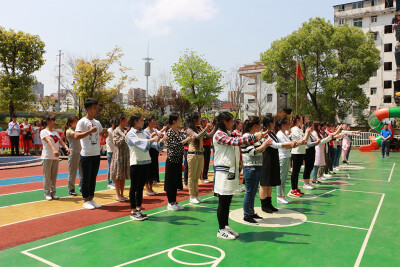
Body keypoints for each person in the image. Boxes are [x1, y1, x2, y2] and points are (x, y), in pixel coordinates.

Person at [213, 112, 264, 240]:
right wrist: (254, 137)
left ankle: (225, 226)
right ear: (225, 122)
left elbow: (239, 139)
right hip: (223, 172)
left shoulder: (229, 133)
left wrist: (257, 137)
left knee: (228, 200)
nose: (233, 124)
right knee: (223, 202)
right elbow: (235, 141)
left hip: (230, 171)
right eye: (231, 121)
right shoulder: (219, 135)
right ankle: (220, 229)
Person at [126, 113, 167, 221]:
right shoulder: (130, 134)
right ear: (135, 122)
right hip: (135, 162)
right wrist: (152, 140)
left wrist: (161, 140)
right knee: (134, 187)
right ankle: (133, 210)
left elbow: (155, 145)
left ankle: (139, 208)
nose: (143, 122)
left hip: (145, 161)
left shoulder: (144, 132)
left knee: (140, 187)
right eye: (141, 120)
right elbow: (139, 143)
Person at [75, 98, 109, 210]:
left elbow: (104, 136)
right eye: (94, 108)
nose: (96, 110)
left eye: (97, 108)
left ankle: (91, 198)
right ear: (88, 109)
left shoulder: (97, 122)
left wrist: (105, 132)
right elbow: (76, 136)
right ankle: (85, 199)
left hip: (96, 153)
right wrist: (89, 131)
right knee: (86, 178)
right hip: (86, 154)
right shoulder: (82, 122)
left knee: (93, 177)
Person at [260, 115, 295, 213]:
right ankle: (264, 205)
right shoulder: (264, 133)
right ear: (269, 123)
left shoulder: (272, 134)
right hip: (266, 159)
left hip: (273, 158)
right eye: (273, 122)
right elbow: (275, 145)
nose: (275, 124)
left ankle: (269, 203)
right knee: (265, 183)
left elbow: (280, 142)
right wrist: (289, 144)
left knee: (270, 182)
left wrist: (293, 143)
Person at [241, 116, 273, 224]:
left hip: (257, 166)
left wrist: (265, 144)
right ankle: (246, 215)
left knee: (253, 192)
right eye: (259, 124)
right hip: (250, 167)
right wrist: (264, 144)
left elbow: (260, 150)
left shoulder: (253, 137)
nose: (261, 127)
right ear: (255, 126)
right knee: (249, 192)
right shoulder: (246, 136)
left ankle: (251, 212)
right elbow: (253, 152)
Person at [164, 113, 194, 211]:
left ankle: (174, 201)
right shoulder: (170, 132)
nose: (180, 122)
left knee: (176, 181)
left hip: (178, 159)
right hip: (171, 160)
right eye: (179, 120)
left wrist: (189, 140)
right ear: (174, 121)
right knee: (170, 182)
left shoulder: (179, 132)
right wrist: (186, 140)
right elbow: (174, 145)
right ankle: (170, 202)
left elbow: (183, 142)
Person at [186, 112, 215, 204]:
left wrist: (214, 128)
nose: (201, 119)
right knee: (192, 176)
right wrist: (207, 128)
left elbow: (209, 136)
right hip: (192, 154)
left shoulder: (199, 128)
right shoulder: (189, 129)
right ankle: (192, 196)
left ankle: (196, 195)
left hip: (200, 154)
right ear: (195, 119)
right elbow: (198, 136)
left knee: (197, 176)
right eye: (199, 118)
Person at [41, 116, 70, 200]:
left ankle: (53, 193)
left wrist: (66, 148)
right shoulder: (43, 132)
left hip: (55, 158)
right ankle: (47, 193)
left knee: (54, 177)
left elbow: (61, 141)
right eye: (53, 121)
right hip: (47, 157)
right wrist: (54, 150)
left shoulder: (55, 133)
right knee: (47, 176)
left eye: (54, 120)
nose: (54, 122)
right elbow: (48, 141)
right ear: (48, 122)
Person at [275, 117, 297, 204]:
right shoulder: (279, 134)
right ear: (283, 125)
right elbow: (285, 145)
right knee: (281, 177)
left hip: (287, 155)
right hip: (282, 156)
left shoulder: (285, 134)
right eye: (287, 124)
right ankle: (279, 195)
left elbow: (289, 145)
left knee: (284, 177)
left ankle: (283, 195)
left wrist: (294, 144)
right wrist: (293, 144)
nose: (289, 125)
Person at [289, 115, 311, 197]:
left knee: (297, 171)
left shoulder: (299, 129)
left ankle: (296, 188)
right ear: (297, 120)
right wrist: (307, 133)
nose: (303, 121)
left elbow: (305, 140)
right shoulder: (294, 129)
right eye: (301, 119)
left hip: (301, 151)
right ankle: (293, 189)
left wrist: (307, 133)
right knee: (295, 172)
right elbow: (302, 140)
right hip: (296, 152)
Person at [110, 114, 130, 202]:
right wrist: (124, 136)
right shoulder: (116, 131)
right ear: (121, 121)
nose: (127, 122)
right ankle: (118, 195)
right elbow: (116, 143)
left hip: (125, 154)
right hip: (119, 155)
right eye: (126, 120)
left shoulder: (124, 130)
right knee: (118, 176)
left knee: (123, 175)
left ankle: (122, 194)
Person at [144, 116, 162, 196]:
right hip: (148, 152)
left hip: (155, 152)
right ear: (149, 122)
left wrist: (161, 135)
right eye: (153, 121)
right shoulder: (145, 131)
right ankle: (147, 188)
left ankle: (151, 188)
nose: (155, 122)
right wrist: (152, 136)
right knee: (148, 170)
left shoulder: (155, 130)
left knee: (153, 170)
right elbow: (146, 142)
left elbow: (160, 136)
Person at [65, 116, 82, 196]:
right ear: (71, 123)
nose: (77, 122)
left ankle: (82, 188)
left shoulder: (79, 130)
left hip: (81, 152)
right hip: (74, 153)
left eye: (78, 121)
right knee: (73, 172)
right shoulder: (69, 130)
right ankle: (71, 189)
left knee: (82, 172)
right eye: (76, 121)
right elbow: (75, 135)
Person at [201, 117, 212, 183]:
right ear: (203, 122)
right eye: (206, 121)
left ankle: (205, 176)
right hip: (204, 146)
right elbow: (206, 136)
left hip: (208, 146)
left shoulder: (209, 130)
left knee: (207, 162)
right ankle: (203, 177)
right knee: (204, 162)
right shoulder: (203, 129)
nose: (207, 122)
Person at [106, 118, 116, 190]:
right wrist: (116, 149)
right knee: (110, 167)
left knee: (114, 167)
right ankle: (109, 183)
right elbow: (109, 142)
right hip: (110, 151)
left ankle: (114, 182)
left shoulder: (115, 130)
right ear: (112, 123)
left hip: (115, 151)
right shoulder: (109, 131)